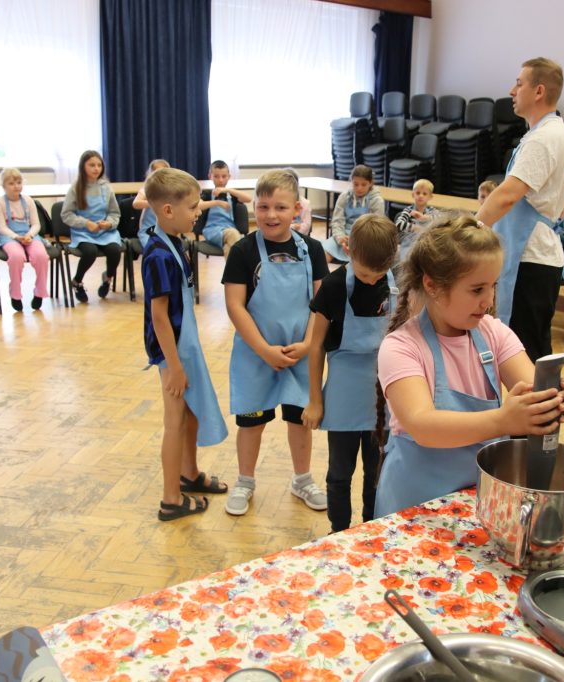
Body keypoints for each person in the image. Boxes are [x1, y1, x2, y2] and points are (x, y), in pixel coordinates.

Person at [374, 215, 564, 517]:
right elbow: (423, 425)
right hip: (414, 510)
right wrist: (504, 420)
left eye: (493, 286)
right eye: (477, 289)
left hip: (478, 503)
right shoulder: (402, 347)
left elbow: (531, 387)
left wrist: (549, 401)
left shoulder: (494, 333)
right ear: (433, 286)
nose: (488, 300)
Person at [222, 169, 330, 516]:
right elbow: (235, 306)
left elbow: (321, 304)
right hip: (256, 355)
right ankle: (245, 481)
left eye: (281, 207)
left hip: (301, 355)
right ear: (254, 206)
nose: (271, 215)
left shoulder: (312, 249)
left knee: (300, 419)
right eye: (263, 206)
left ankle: (302, 479)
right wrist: (264, 350)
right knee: (251, 422)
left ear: (297, 208)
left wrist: (310, 343)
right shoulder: (242, 251)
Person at [142, 167, 229, 521]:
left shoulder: (174, 240)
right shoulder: (158, 255)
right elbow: (159, 317)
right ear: (167, 210)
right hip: (172, 353)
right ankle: (170, 499)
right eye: (192, 207)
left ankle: (189, 475)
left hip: (185, 346)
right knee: (175, 421)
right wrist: (174, 367)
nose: (198, 212)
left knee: (190, 413)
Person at [476, 57, 564, 361]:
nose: (512, 90)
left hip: (530, 259)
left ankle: (542, 396)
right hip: (536, 257)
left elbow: (508, 195)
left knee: (525, 354)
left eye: (519, 84)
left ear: (539, 91)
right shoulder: (549, 133)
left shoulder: (544, 138)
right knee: (533, 352)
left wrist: (470, 230)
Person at [304, 214, 398, 533]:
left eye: (378, 275)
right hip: (343, 396)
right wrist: (315, 400)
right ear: (348, 251)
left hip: (383, 399)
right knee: (339, 474)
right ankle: (339, 532)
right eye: (364, 273)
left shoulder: (396, 284)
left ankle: (371, 529)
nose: (371, 281)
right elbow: (316, 346)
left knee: (377, 474)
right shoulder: (333, 287)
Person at [61, 150, 122, 303]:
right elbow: (66, 214)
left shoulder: (106, 187)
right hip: (83, 232)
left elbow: (115, 213)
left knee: (115, 250)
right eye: (92, 165)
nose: (96, 168)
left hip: (105, 232)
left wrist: (109, 223)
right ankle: (77, 281)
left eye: (99, 165)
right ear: (83, 166)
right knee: (90, 252)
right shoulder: (76, 187)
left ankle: (107, 278)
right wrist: (86, 223)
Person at [0, 168, 49, 312]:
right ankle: (15, 293)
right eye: (11, 183)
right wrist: (16, 237)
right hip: (9, 237)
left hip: (29, 235)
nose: (16, 186)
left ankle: (40, 292)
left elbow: (36, 224)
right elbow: (2, 227)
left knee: (41, 256)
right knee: (16, 257)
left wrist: (29, 235)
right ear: (3, 186)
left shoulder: (28, 200)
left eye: (18, 182)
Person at [323, 165, 384, 264]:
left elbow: (376, 228)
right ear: (351, 181)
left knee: (361, 261)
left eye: (363, 184)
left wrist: (357, 240)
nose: (359, 188)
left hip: (365, 239)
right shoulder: (344, 197)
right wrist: (340, 237)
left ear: (370, 183)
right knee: (323, 253)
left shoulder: (376, 200)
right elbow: (337, 221)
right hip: (343, 236)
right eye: (356, 184)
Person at [199, 160, 250, 257]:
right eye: (216, 176)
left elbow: (248, 198)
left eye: (224, 176)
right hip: (212, 230)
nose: (220, 180)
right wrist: (217, 202)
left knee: (229, 247)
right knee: (234, 237)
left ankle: (232, 267)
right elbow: (198, 205)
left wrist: (227, 190)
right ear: (210, 176)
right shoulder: (207, 193)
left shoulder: (232, 195)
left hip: (229, 229)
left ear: (229, 177)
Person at [394, 178, 439, 260]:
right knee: (407, 261)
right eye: (418, 193)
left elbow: (441, 219)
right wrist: (415, 228)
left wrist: (425, 217)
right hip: (409, 245)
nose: (421, 196)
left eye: (424, 194)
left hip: (426, 245)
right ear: (413, 194)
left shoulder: (432, 211)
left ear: (430, 197)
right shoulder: (409, 210)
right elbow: (398, 224)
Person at [132, 159, 171, 249]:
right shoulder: (146, 189)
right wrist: (154, 203)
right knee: (156, 250)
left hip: (167, 231)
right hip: (149, 231)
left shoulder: (171, 190)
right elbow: (136, 204)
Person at [286, 168, 312, 236]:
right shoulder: (279, 203)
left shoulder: (305, 203)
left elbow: (306, 226)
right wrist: (294, 226)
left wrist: (292, 234)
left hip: (300, 237)